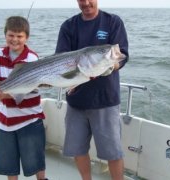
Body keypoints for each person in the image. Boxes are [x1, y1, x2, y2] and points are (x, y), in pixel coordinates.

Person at [55, 0, 129, 179]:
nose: (86, 3)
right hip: (76, 101)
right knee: (78, 149)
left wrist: (110, 67)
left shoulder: (113, 22)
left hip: (105, 100)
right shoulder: (68, 26)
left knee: (113, 153)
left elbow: (122, 55)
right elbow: (61, 60)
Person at [0, 16, 47, 180]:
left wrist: (4, 94)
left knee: (37, 164)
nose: (15, 40)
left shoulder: (32, 58)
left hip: (30, 119)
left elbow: (30, 89)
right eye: (11, 35)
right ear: (5, 34)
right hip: (5, 121)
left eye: (19, 36)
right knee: (9, 166)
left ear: (26, 37)